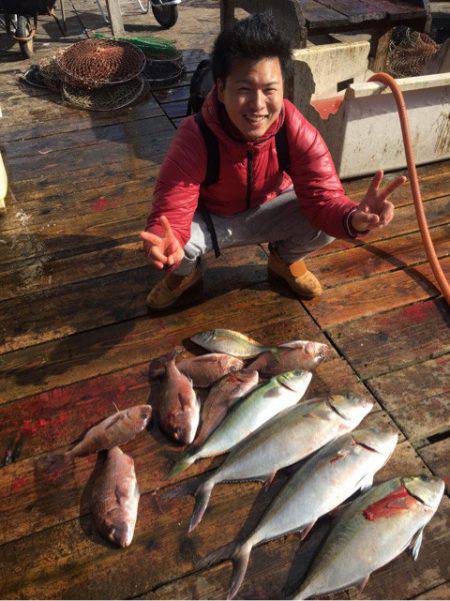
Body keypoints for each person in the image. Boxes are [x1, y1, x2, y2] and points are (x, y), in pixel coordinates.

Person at [140, 13, 406, 310]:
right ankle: (183, 278)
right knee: (175, 242)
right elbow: (172, 207)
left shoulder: (293, 124)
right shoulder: (195, 134)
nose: (258, 105)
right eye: (244, 89)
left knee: (331, 221)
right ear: (221, 87)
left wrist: (353, 217)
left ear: (283, 88)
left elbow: (324, 195)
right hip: (214, 219)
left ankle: (284, 261)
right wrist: (168, 242)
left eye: (269, 90)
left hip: (270, 209)